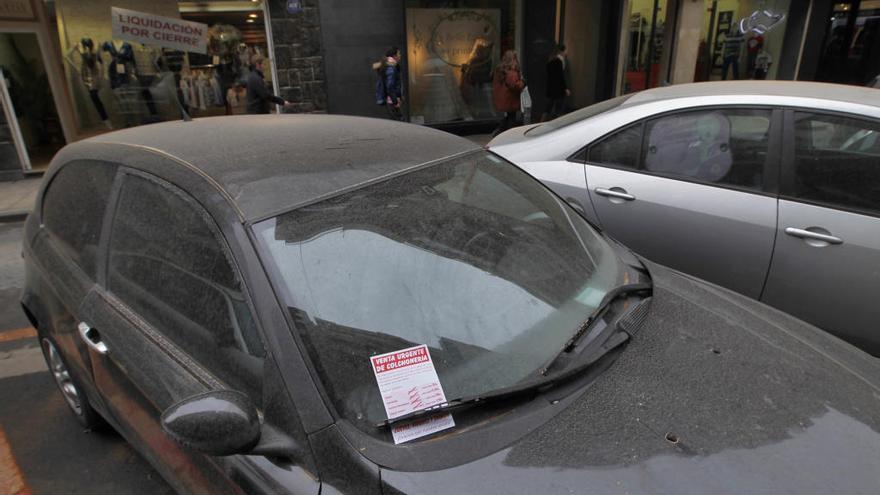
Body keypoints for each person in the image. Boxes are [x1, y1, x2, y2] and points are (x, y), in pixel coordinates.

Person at [491, 50, 525, 136]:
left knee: (509, 116)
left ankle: (499, 131)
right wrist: (522, 83)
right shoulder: (511, 72)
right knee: (511, 117)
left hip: (503, 98)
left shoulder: (500, 69)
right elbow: (514, 85)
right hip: (510, 98)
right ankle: (508, 134)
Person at [542, 44, 570, 121]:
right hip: (558, 88)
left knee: (548, 107)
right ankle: (557, 125)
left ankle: (541, 122)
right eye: (566, 50)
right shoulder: (559, 61)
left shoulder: (550, 61)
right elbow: (561, 76)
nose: (566, 52)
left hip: (551, 88)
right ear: (562, 51)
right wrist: (565, 88)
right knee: (558, 108)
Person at [375, 47, 403, 120]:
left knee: (397, 121)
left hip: (391, 100)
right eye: (399, 54)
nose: (400, 55)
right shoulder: (391, 67)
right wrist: (395, 101)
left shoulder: (389, 65)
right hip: (391, 100)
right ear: (394, 56)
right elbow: (390, 86)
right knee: (399, 122)